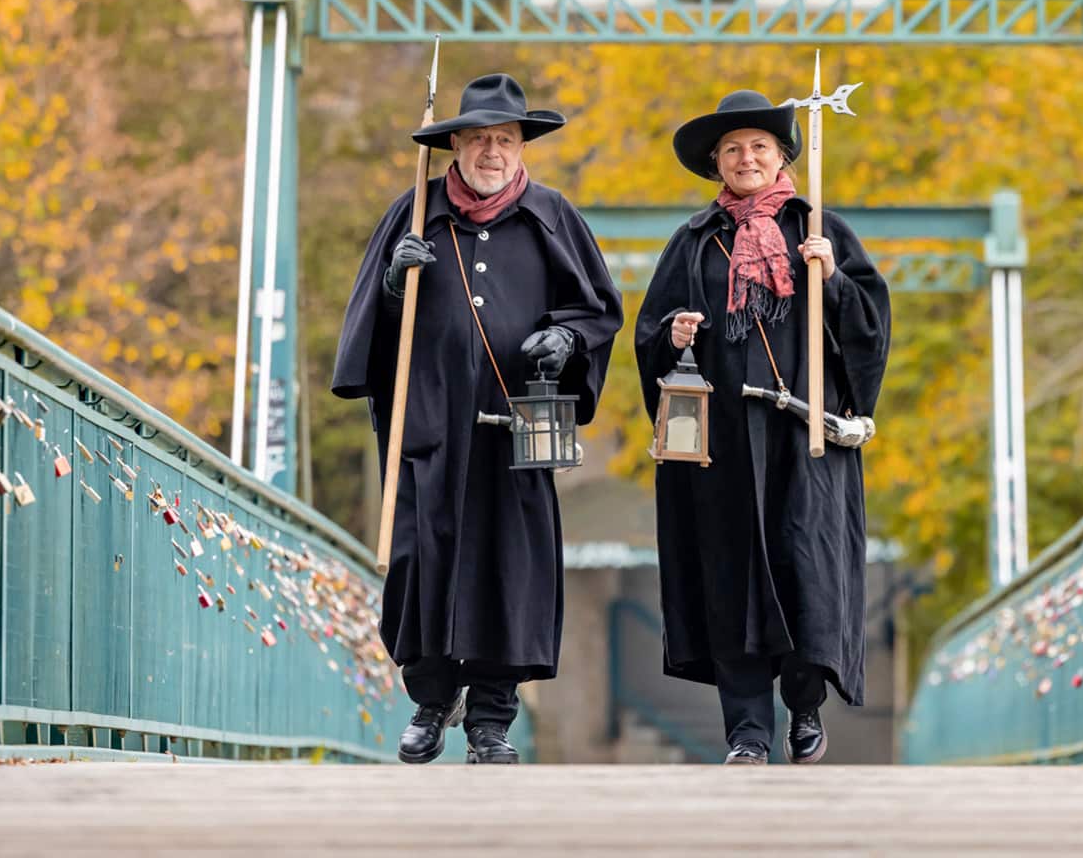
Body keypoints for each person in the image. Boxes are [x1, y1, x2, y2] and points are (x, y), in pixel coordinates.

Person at [333, 73, 624, 764]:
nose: (492, 152)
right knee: (420, 558)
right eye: (479, 139)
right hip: (431, 425)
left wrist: (567, 339)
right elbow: (371, 331)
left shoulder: (553, 215)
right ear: (454, 145)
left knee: (509, 568)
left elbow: (598, 310)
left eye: (505, 139)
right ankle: (432, 699)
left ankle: (491, 718)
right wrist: (394, 282)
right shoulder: (415, 213)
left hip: (517, 428)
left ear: (522, 146)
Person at [633, 89, 890, 765]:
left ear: (782, 157)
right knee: (729, 577)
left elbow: (870, 331)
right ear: (717, 163)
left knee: (805, 567)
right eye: (733, 149)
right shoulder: (693, 243)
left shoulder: (818, 228)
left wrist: (832, 280)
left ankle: (804, 710)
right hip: (720, 445)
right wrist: (673, 337)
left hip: (802, 441)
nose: (747, 158)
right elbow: (649, 336)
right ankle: (746, 734)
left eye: (759, 147)